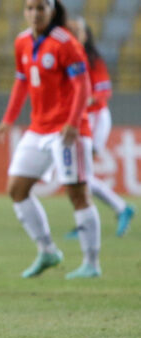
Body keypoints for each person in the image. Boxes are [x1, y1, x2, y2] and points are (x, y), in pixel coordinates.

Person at [0, 0, 102, 279]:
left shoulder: (64, 42)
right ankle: (47, 251)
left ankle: (91, 263)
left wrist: (72, 122)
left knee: (78, 194)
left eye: (40, 8)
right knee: (17, 189)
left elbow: (83, 85)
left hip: (68, 130)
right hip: (38, 128)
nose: (34, 14)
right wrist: (9, 118)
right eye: (29, 8)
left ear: (51, 10)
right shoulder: (22, 41)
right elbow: (22, 81)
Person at [65, 16, 135, 239]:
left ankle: (96, 218)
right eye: (71, 29)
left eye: (79, 30)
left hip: (95, 119)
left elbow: (104, 92)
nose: (74, 33)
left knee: (81, 174)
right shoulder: (66, 58)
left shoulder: (93, 60)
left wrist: (86, 99)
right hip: (79, 120)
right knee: (80, 174)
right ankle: (116, 210)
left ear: (86, 35)